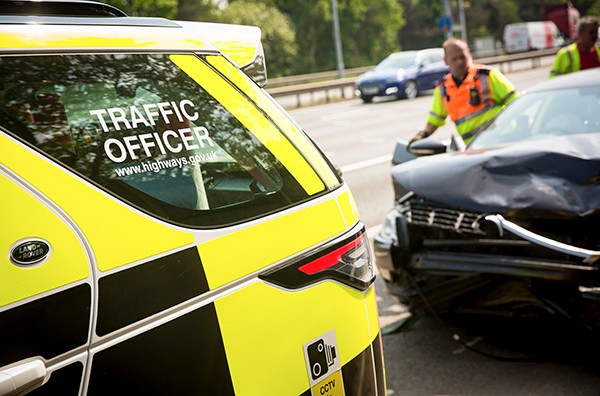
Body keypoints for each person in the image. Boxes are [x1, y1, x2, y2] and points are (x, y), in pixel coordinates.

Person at [410, 37, 519, 147]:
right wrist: (422, 135)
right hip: (473, 147)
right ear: (446, 60)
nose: (460, 62)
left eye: (463, 57)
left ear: (469, 55)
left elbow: (517, 102)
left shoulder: (487, 75)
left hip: (502, 140)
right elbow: (435, 119)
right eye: (454, 59)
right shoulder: (443, 88)